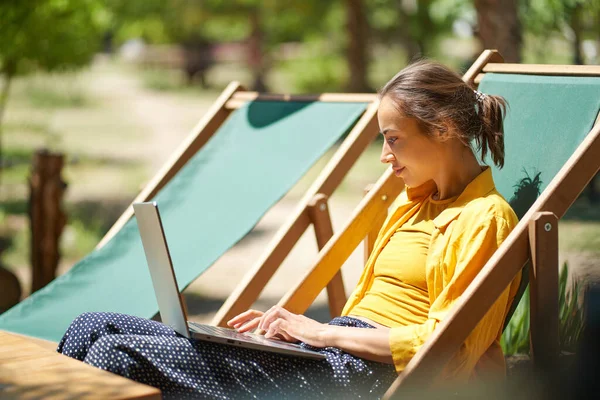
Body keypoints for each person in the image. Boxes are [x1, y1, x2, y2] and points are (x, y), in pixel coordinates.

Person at [57, 60, 521, 399]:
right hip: (330, 354)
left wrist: (319, 335)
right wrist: (294, 336)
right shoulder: (413, 205)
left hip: (360, 377)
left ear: (441, 129)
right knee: (90, 327)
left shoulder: (487, 219)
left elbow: (447, 350)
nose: (385, 155)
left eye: (392, 139)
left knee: (115, 357)